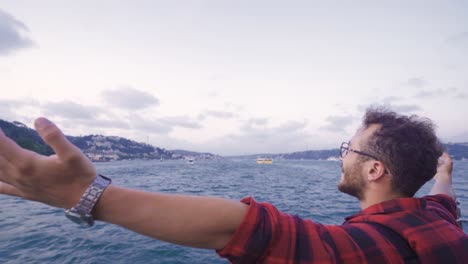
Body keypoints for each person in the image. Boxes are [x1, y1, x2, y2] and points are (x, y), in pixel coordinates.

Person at [0, 107, 467, 263]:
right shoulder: (440, 220)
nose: (342, 154)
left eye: (351, 148)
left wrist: (80, 195)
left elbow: (243, 228)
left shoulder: (353, 250)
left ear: (374, 172)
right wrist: (442, 171)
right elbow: (443, 196)